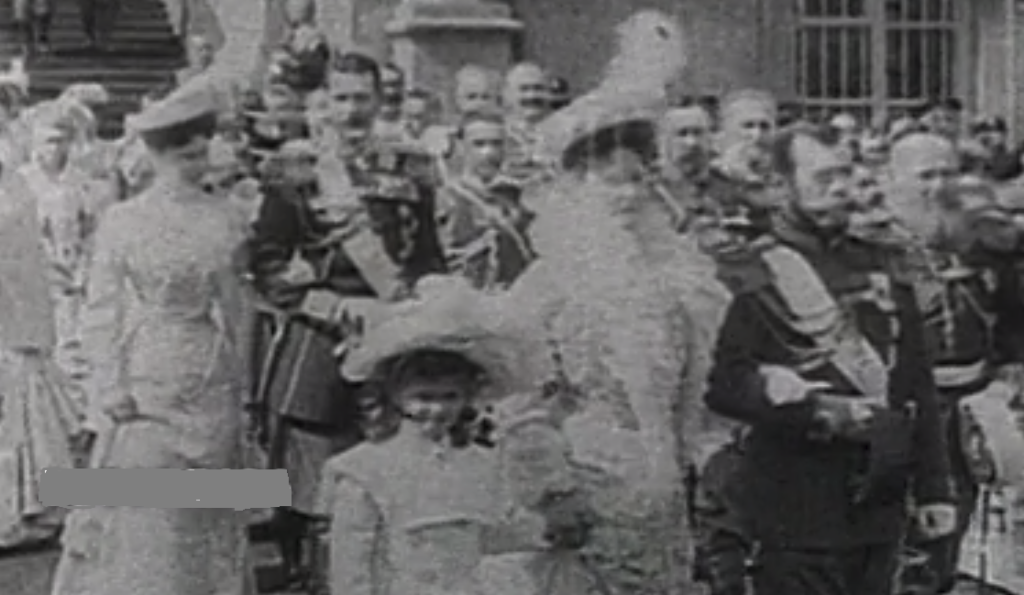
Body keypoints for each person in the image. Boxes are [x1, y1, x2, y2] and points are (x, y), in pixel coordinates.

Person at [502, 11, 729, 595]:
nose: (628, 199)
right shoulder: (547, 285)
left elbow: (694, 394)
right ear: (575, 188)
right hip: (587, 483)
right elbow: (520, 404)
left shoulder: (676, 280)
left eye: (638, 182)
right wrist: (552, 492)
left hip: (662, 489)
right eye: (611, 184)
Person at [704, 125, 956, 595]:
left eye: (845, 174)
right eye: (824, 178)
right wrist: (799, 403)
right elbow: (721, 383)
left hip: (878, 504)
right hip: (794, 505)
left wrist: (934, 488)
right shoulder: (748, 272)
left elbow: (916, 382)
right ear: (782, 185)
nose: (841, 189)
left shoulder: (883, 260)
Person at [248, 50, 447, 589]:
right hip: (320, 340)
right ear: (324, 102)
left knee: (396, 474)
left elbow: (428, 255)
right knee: (313, 483)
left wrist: (418, 303)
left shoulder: (411, 166)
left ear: (380, 100)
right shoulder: (296, 169)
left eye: (363, 97)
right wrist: (330, 308)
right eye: (342, 98)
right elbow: (266, 262)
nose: (352, 110)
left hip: (396, 333)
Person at [49, 82, 255, 595]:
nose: (193, 161)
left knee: (206, 510)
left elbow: (237, 307)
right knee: (149, 508)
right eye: (180, 153)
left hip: (208, 372)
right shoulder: (124, 221)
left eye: (200, 150)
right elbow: (101, 312)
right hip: (146, 372)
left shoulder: (226, 216)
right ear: (154, 155)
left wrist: (243, 385)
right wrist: (109, 385)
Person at [314, 275, 554, 595]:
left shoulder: (480, 463)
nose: (438, 409)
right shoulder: (366, 471)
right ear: (396, 395)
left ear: (468, 397)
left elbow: (488, 536)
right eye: (424, 397)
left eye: (450, 397)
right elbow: (350, 567)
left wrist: (544, 531)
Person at [886, 136, 1024, 594]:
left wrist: (1007, 372)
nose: (938, 186)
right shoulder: (873, 247)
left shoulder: (983, 245)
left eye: (947, 173)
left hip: (969, 412)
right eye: (925, 175)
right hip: (900, 416)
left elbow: (1011, 321)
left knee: (956, 529)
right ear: (894, 178)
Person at [0, 104, 89, 551]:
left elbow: (22, 258)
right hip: (14, 307)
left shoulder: (13, 184)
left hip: (19, 308)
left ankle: (31, 504)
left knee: (24, 401)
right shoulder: (15, 184)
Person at [436, 110, 535, 290]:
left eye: (496, 144)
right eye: (479, 144)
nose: (489, 153)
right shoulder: (446, 198)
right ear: (461, 146)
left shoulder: (517, 199)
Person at [501, 62, 552, 185]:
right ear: (507, 94)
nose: (532, 96)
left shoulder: (560, 134)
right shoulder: (495, 136)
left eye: (538, 88)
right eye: (524, 89)